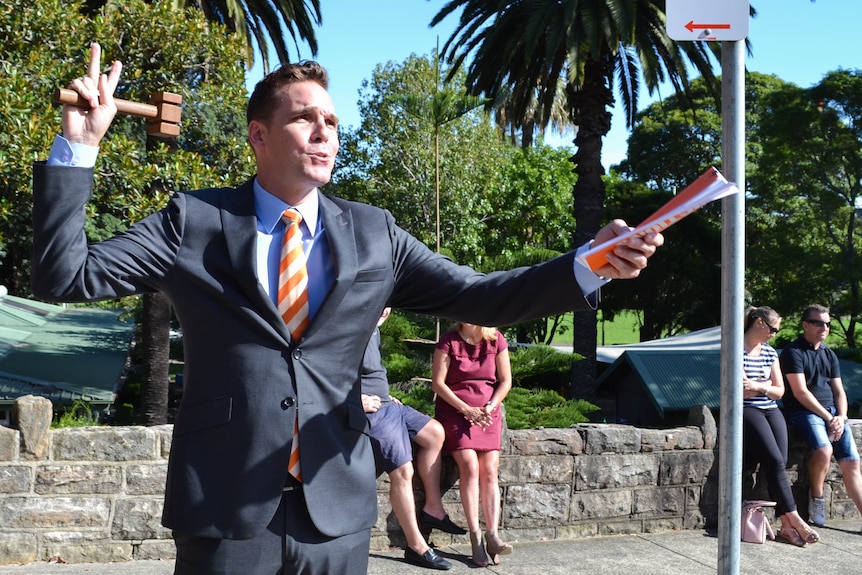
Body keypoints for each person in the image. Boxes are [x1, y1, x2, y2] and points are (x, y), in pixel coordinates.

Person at [31, 42, 663, 575]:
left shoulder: (374, 234)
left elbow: (482, 294)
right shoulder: (193, 222)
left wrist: (594, 262)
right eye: (305, 118)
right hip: (224, 507)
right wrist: (79, 149)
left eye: (331, 121)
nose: (324, 131)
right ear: (259, 134)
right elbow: (67, 274)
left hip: (334, 511)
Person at [360, 308, 462, 570]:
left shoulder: (373, 328)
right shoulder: (351, 328)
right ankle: (417, 547)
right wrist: (355, 401)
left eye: (387, 305)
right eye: (379, 304)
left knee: (435, 433)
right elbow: (327, 371)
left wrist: (386, 394)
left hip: (389, 404)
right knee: (403, 471)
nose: (385, 310)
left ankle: (433, 508)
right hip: (374, 412)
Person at [431, 322, 512, 567]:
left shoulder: (496, 339)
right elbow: (438, 383)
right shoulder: (448, 340)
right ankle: (475, 537)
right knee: (470, 465)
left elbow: (505, 381)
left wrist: (490, 406)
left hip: (487, 413)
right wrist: (466, 409)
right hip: (456, 412)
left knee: (490, 469)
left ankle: (493, 535)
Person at [741, 306, 819, 546]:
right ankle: (795, 518)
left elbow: (779, 391)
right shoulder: (735, 350)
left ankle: (785, 525)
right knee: (774, 460)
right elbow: (739, 392)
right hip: (748, 410)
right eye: (773, 329)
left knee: (779, 461)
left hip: (771, 409)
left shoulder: (770, 353)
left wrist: (759, 386)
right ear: (758, 322)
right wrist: (763, 385)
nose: (774, 334)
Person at [780, 304, 862, 528]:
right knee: (824, 449)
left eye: (827, 323)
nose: (824, 327)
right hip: (804, 412)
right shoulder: (792, 352)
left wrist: (842, 417)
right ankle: (816, 498)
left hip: (833, 414)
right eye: (818, 323)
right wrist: (829, 417)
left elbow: (839, 391)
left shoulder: (829, 354)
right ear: (805, 325)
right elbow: (800, 392)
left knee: (852, 462)